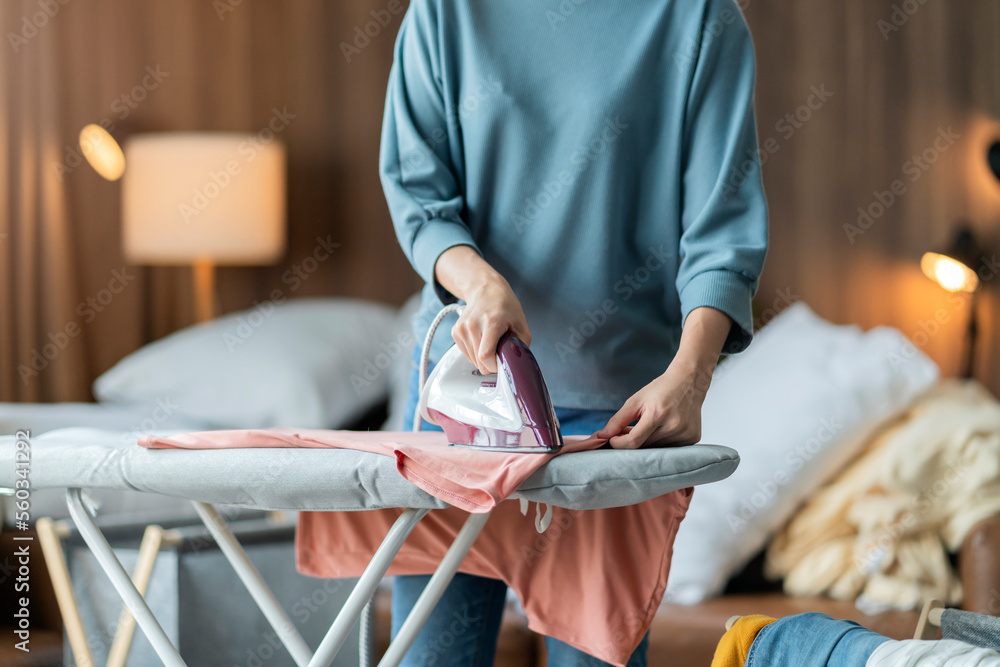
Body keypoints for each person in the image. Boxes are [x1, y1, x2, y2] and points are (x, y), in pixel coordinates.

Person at [379, 0, 768, 664]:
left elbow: (722, 232)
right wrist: (480, 283)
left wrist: (690, 374)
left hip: (612, 422)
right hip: (464, 400)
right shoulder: (446, 13)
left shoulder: (699, 19)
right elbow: (418, 191)